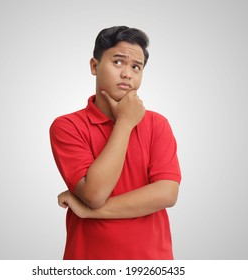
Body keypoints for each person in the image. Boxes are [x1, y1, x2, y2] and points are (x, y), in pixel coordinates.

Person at [49, 26, 181, 260]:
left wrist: (89, 212)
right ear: (94, 66)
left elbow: (167, 193)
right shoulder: (67, 126)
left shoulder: (157, 124)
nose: (127, 73)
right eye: (118, 62)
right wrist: (125, 123)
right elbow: (95, 194)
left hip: (152, 263)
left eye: (136, 67)